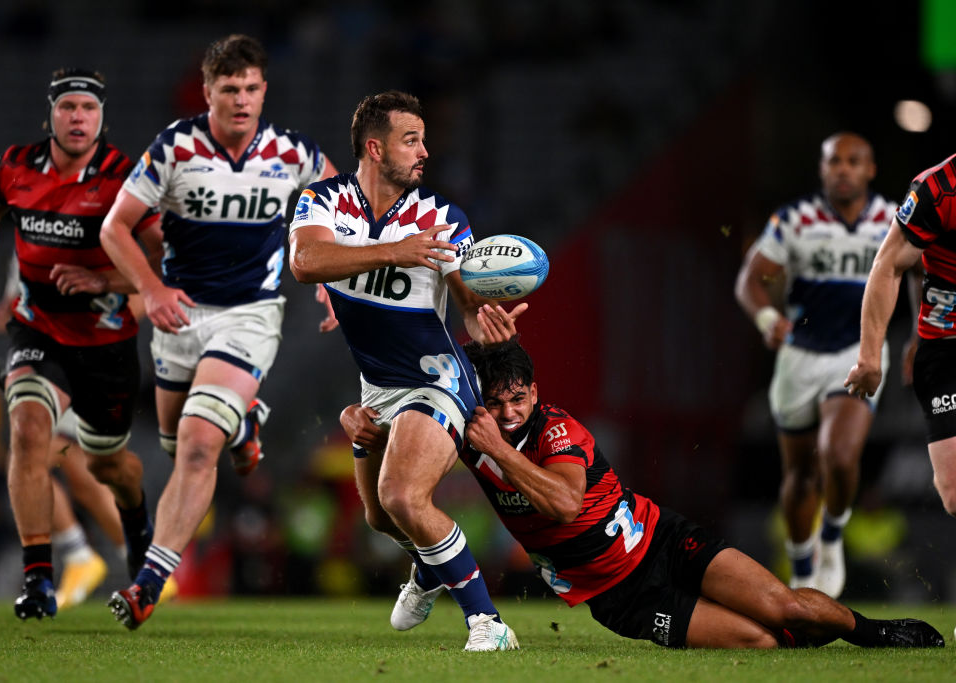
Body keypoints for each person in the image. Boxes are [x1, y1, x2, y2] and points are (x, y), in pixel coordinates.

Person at [342, 338, 944, 649]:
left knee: (782, 606)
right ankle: (819, 640)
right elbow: (391, 509)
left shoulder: (558, 430)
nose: (505, 413)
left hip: (663, 539)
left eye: (517, 399)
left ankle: (874, 634)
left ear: (534, 391)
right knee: (762, 641)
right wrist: (366, 444)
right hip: (619, 597)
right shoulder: (465, 428)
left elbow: (566, 504)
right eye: (494, 404)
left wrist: (496, 450)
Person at [102, 34, 338, 629]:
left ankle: (151, 579)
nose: (241, 100)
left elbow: (340, 209)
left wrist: (329, 276)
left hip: (249, 314)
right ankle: (246, 421)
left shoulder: (293, 154)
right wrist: (151, 291)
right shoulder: (175, 149)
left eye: (251, 88)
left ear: (264, 91)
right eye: (228, 89)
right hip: (180, 315)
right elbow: (115, 228)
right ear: (207, 91)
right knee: (176, 444)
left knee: (200, 441)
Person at [289, 90, 527, 651]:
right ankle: (429, 567)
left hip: (438, 378)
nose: (425, 151)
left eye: (424, 139)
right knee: (378, 516)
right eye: (411, 140)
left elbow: (466, 304)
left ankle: (489, 625)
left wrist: (485, 319)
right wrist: (396, 251)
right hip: (378, 387)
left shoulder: (444, 218)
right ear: (375, 147)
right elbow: (306, 263)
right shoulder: (322, 203)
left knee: (400, 495)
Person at [0, 68, 163, 620]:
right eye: (67, 107)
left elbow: (165, 261)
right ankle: (39, 577)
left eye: (87, 109)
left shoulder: (125, 177)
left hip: (105, 342)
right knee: (25, 431)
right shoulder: (16, 167)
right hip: (36, 327)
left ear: (102, 119)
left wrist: (107, 282)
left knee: (109, 466)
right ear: (50, 114)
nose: (77, 117)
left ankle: (136, 524)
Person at [734, 132, 902, 597]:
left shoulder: (894, 219)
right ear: (822, 169)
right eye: (835, 162)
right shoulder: (795, 219)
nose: (843, 169)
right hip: (799, 355)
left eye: (854, 161)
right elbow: (750, 279)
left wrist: (917, 340)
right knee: (801, 475)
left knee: (840, 455)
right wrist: (768, 317)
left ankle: (833, 535)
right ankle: (804, 566)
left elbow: (919, 272)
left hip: (857, 349)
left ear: (870, 169)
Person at [845, 154, 956, 541]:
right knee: (953, 491)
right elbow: (889, 265)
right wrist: (869, 358)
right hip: (945, 345)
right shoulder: (938, 189)